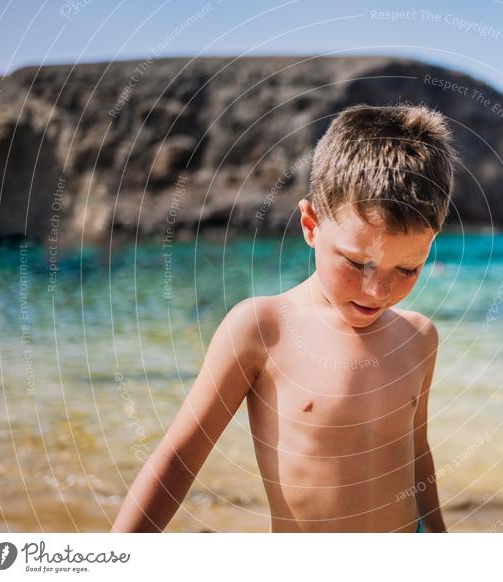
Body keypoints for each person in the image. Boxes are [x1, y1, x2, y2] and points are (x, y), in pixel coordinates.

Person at [111, 103, 458, 533]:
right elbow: (178, 460)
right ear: (311, 224)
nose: (377, 291)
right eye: (356, 262)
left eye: (407, 269)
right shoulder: (262, 329)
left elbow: (417, 455)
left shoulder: (419, 337)